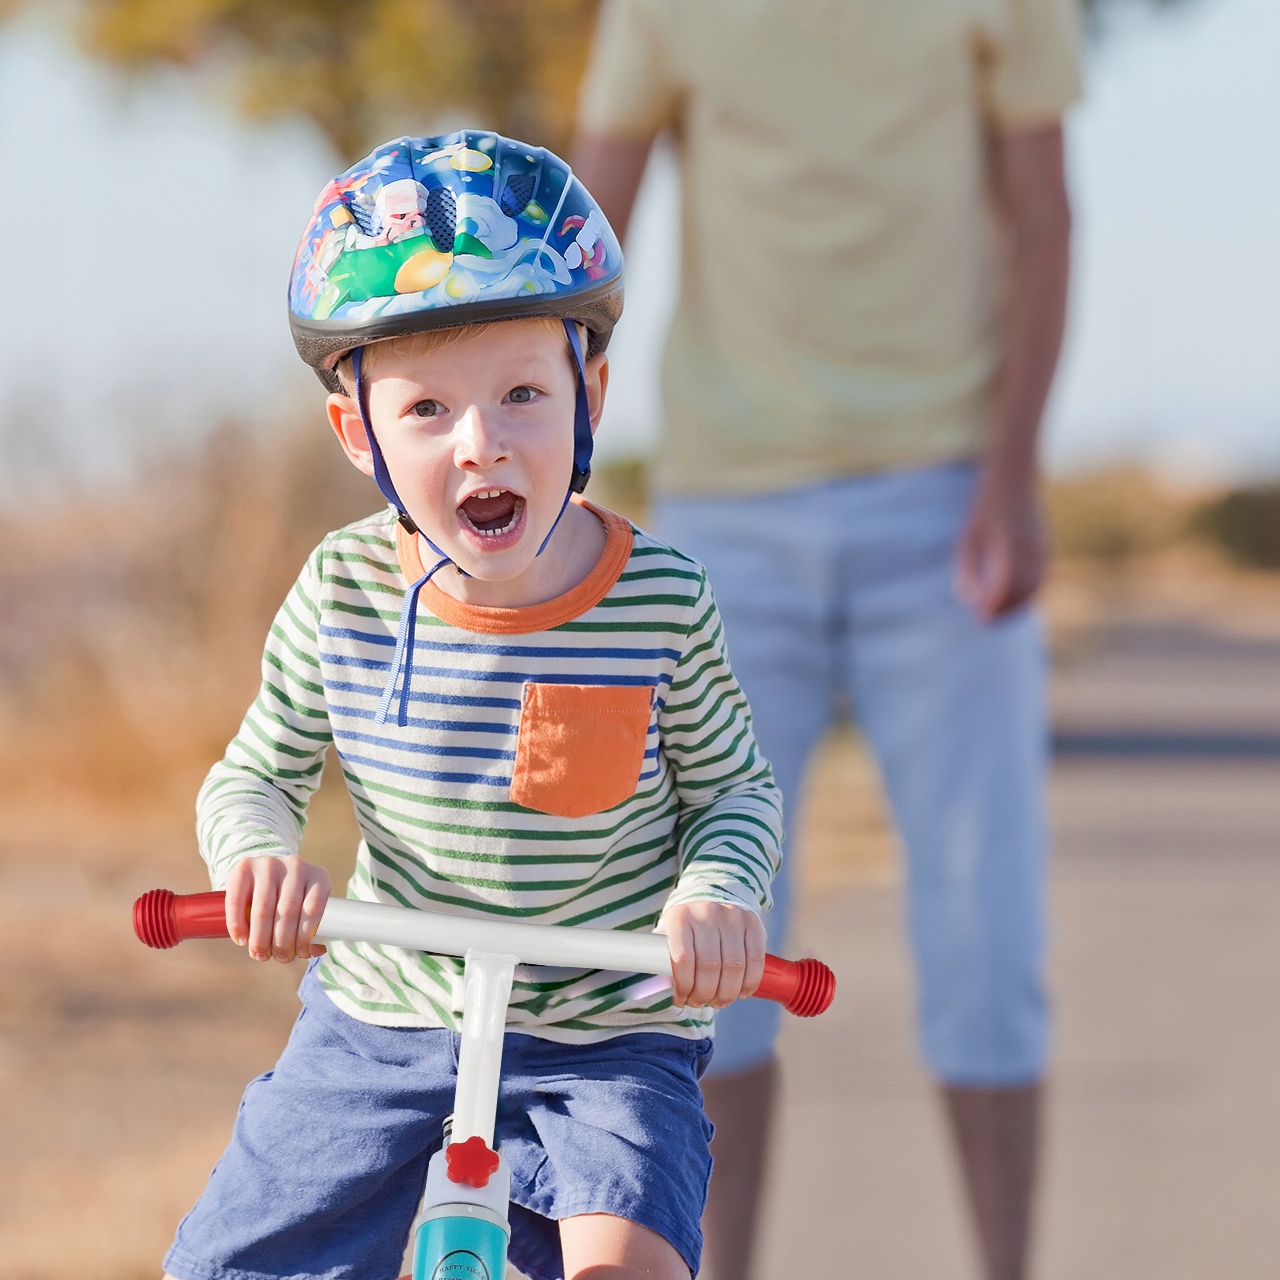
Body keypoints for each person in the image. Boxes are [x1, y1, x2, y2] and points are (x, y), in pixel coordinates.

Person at [161, 131, 783, 1280]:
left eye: (522, 394)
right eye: (427, 409)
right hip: (384, 1016)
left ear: (589, 395)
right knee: (229, 1264)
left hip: (608, 1025)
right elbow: (256, 771)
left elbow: (731, 788)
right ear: (359, 433)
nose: (481, 441)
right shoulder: (339, 591)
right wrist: (256, 855)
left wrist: (715, 891)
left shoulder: (659, 601)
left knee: (622, 1264)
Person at [573, 4, 1078, 1279]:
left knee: (984, 935)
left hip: (944, 500)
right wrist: (542, 479)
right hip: (726, 517)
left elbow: (1045, 220)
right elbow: (588, 239)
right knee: (703, 934)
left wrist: (1011, 475)